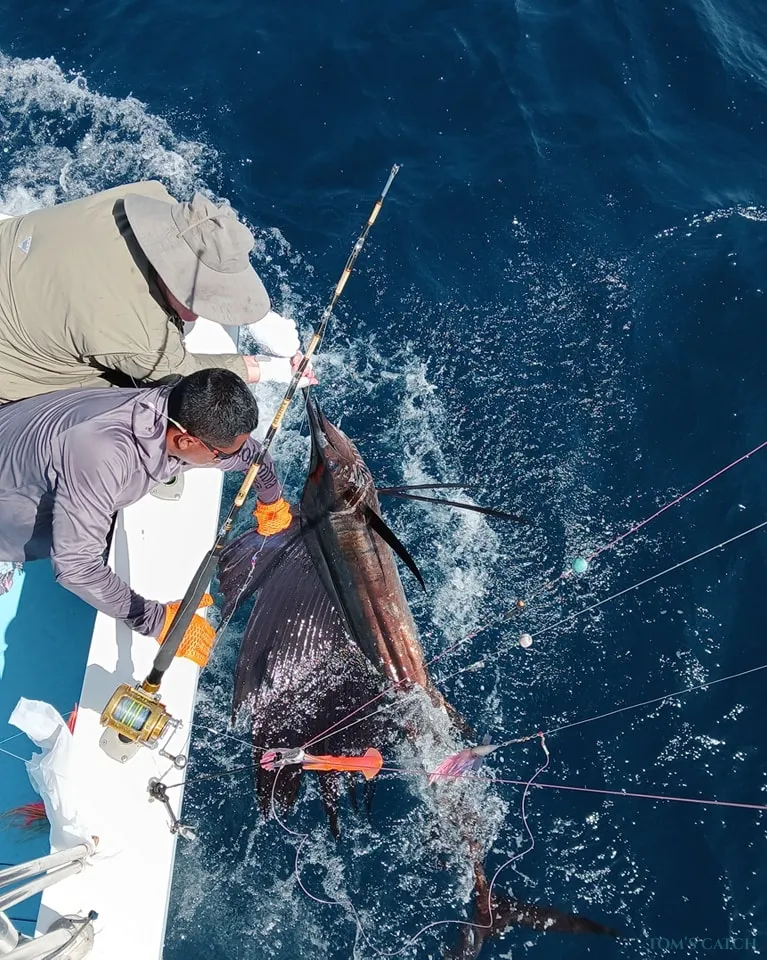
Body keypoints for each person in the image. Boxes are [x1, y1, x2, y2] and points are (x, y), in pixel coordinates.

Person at [0, 368, 293, 663]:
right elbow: (75, 567)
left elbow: (252, 457)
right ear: (186, 441)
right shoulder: (103, 455)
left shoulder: (170, 407)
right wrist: (158, 620)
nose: (230, 459)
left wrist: (272, 502)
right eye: (222, 455)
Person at [0, 180, 313, 402]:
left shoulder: (148, 197)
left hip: (16, 256)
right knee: (148, 393)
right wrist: (270, 369)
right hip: (11, 372)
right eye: (200, 298)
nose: (202, 310)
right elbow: (183, 373)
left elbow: (206, 233)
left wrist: (256, 318)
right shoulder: (139, 335)